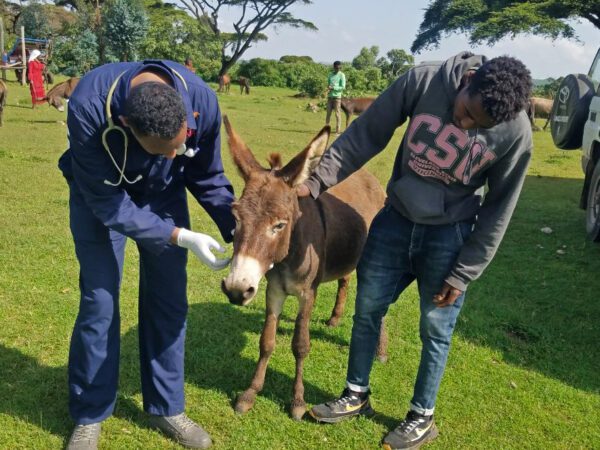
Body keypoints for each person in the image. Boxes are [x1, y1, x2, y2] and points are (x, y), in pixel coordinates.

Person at [298, 52, 533, 449]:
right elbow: (366, 133)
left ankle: (422, 417)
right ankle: (355, 394)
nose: (465, 123)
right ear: (468, 79)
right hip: (395, 219)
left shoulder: (517, 133)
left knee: (435, 327)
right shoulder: (423, 81)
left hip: (450, 235)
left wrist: (465, 271)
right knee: (367, 309)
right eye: (465, 111)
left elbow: (499, 208)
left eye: (479, 124)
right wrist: (318, 181)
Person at [57, 59, 236, 450]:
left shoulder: (202, 101)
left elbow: (205, 175)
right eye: (166, 150)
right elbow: (109, 205)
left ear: (187, 117)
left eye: (181, 144)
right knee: (99, 302)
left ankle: (166, 407)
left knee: (169, 300)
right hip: (100, 197)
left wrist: (243, 231)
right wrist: (179, 236)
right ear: (124, 123)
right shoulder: (88, 105)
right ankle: (90, 414)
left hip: (163, 194)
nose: (177, 155)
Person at [325, 60, 346, 134]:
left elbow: (343, 87)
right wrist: (328, 89)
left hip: (337, 97)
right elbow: (328, 84)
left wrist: (334, 88)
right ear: (334, 67)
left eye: (339, 68)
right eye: (336, 68)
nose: (338, 69)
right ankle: (326, 129)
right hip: (330, 97)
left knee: (337, 114)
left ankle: (338, 130)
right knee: (328, 113)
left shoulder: (342, 75)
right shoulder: (330, 74)